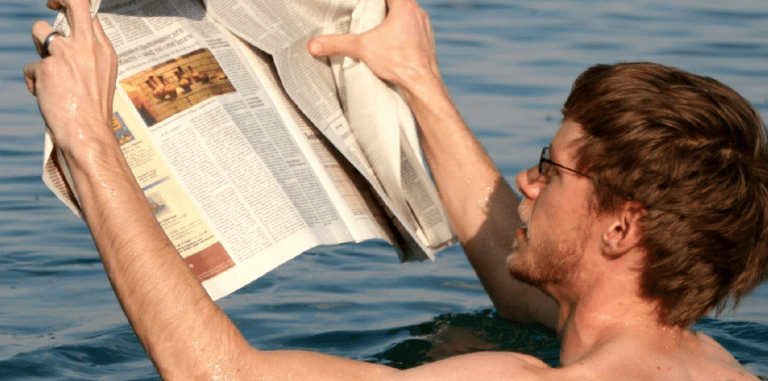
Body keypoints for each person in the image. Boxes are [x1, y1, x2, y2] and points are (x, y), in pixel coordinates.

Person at [24, 0, 767, 379]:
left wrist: (90, 134)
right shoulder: (712, 361)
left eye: (552, 166)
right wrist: (414, 77)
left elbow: (218, 374)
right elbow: (528, 300)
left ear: (621, 229)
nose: (526, 180)